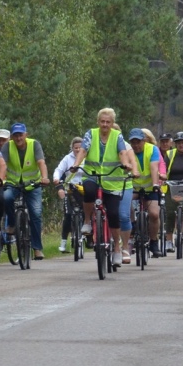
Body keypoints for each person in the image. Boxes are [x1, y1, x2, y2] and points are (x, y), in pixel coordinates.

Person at [72, 108, 139, 266]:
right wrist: (76, 165)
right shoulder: (91, 134)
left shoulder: (117, 136)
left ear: (112, 123)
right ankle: (87, 221)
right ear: (98, 122)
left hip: (112, 180)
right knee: (88, 191)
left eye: (108, 122)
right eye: (102, 121)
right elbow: (84, 150)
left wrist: (124, 164)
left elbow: (122, 152)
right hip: (92, 175)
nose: (105, 124)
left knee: (114, 215)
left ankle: (117, 248)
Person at [1, 122, 50, 260]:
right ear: (12, 137)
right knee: (6, 197)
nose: (18, 138)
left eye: (20, 135)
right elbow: (3, 164)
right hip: (13, 183)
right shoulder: (7, 146)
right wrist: (1, 179)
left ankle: (37, 248)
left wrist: (45, 177)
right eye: (15, 135)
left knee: (35, 213)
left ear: (26, 135)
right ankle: (11, 223)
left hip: (33, 184)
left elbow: (41, 162)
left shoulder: (34, 144)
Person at [126, 127, 163, 256]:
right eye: (133, 142)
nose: (136, 145)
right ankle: (132, 224)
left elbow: (154, 168)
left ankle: (154, 241)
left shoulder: (152, 149)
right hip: (133, 187)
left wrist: (155, 184)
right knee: (125, 203)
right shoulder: (127, 151)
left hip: (149, 187)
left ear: (144, 141)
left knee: (154, 214)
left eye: (138, 142)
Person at [53, 136, 86, 253]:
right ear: (72, 148)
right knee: (68, 215)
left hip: (84, 188)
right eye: (75, 148)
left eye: (79, 147)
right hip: (70, 189)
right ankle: (63, 242)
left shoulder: (88, 157)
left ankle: (90, 236)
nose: (77, 150)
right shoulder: (67, 159)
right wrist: (57, 179)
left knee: (89, 212)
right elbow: (59, 170)